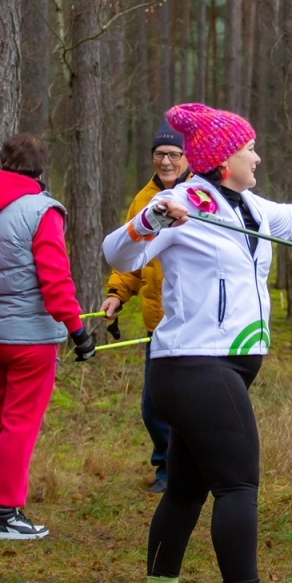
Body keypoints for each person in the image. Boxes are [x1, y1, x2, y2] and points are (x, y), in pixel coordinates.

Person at [104, 103, 292, 583]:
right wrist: (150, 219)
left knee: (187, 490)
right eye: (248, 149)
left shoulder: (249, 205)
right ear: (221, 160)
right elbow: (118, 255)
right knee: (238, 485)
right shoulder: (179, 203)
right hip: (194, 365)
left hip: (222, 366)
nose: (257, 157)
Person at [0, 133, 93, 540]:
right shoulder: (42, 211)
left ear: (2, 162)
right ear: (40, 169)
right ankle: (6, 513)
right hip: (29, 339)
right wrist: (76, 329)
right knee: (20, 423)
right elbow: (55, 279)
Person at [100, 119, 190, 494]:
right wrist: (117, 294)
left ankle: (191, 468)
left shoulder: (202, 196)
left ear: (187, 157)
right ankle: (166, 469)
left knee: (192, 405)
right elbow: (130, 255)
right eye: (159, 154)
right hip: (158, 325)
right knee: (153, 406)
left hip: (193, 322)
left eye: (173, 154)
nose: (165, 162)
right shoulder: (143, 200)